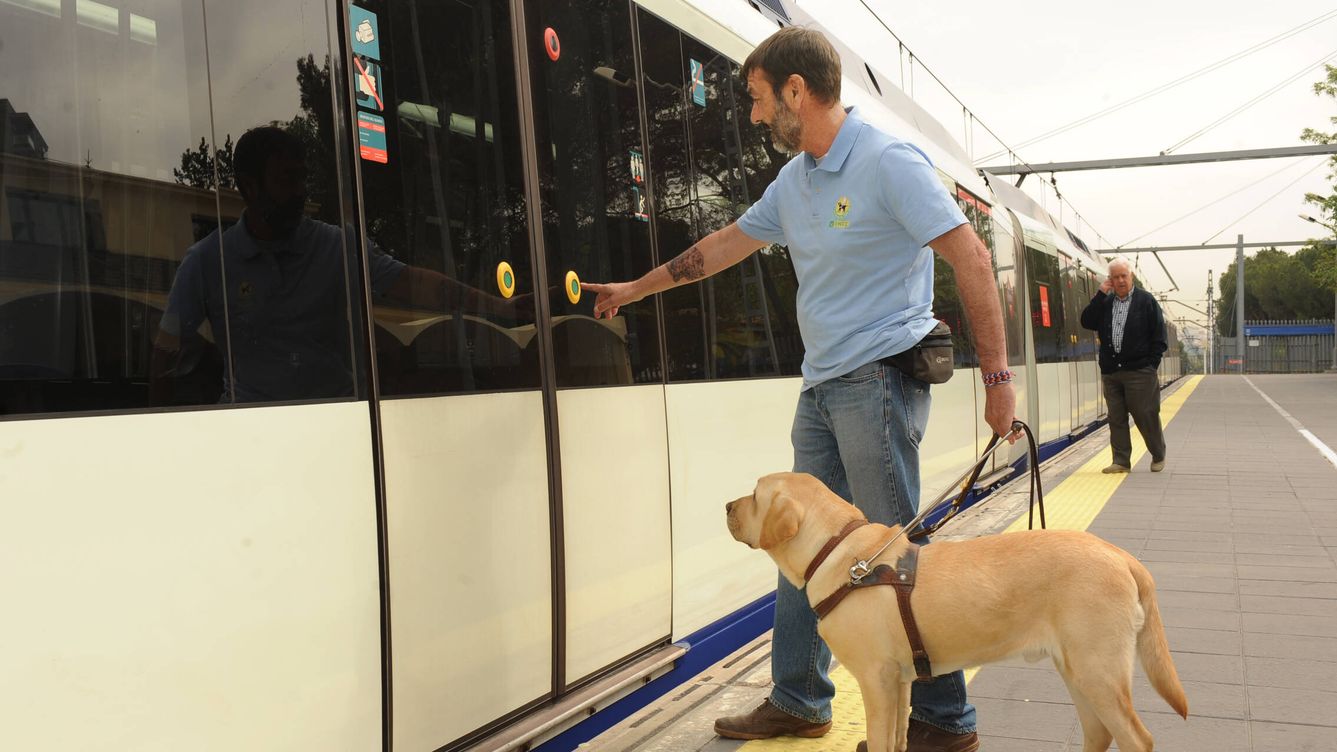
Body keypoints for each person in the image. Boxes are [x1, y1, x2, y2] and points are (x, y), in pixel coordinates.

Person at [582, 27, 1015, 752]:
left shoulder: (886, 162)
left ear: (795, 91)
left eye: (756, 99)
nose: (753, 116)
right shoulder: (798, 179)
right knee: (795, 543)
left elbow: (969, 254)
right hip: (823, 388)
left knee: (894, 556)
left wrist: (998, 377)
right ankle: (799, 696)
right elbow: (719, 247)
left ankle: (945, 722)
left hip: (878, 380)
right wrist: (635, 288)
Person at [153, 126, 520, 403]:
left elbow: (416, 284)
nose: (300, 192)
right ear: (249, 187)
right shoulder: (207, 261)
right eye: (286, 179)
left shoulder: (335, 245)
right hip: (252, 434)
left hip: (339, 422)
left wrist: (500, 308)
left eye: (302, 178)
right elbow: (166, 352)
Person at [1080, 258, 1168, 473]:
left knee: (1145, 414)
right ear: (1110, 280)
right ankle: (1120, 461)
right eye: (1115, 277)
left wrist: (1150, 365)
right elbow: (1086, 321)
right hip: (1111, 371)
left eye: (1123, 276)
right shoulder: (1106, 303)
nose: (1120, 281)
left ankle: (1158, 454)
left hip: (1140, 371)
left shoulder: (1146, 301)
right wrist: (1100, 294)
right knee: (1116, 417)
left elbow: (1159, 336)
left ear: (1131, 277)